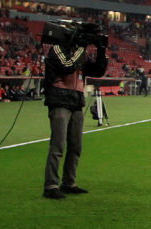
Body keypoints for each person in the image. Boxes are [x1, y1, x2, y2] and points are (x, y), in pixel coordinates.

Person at [42, 36, 107, 200]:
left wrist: (101, 49)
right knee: (58, 145)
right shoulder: (57, 49)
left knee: (76, 146)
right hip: (59, 99)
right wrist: (83, 47)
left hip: (76, 100)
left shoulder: (78, 53)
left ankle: (69, 182)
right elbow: (67, 66)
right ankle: (51, 185)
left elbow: (97, 71)